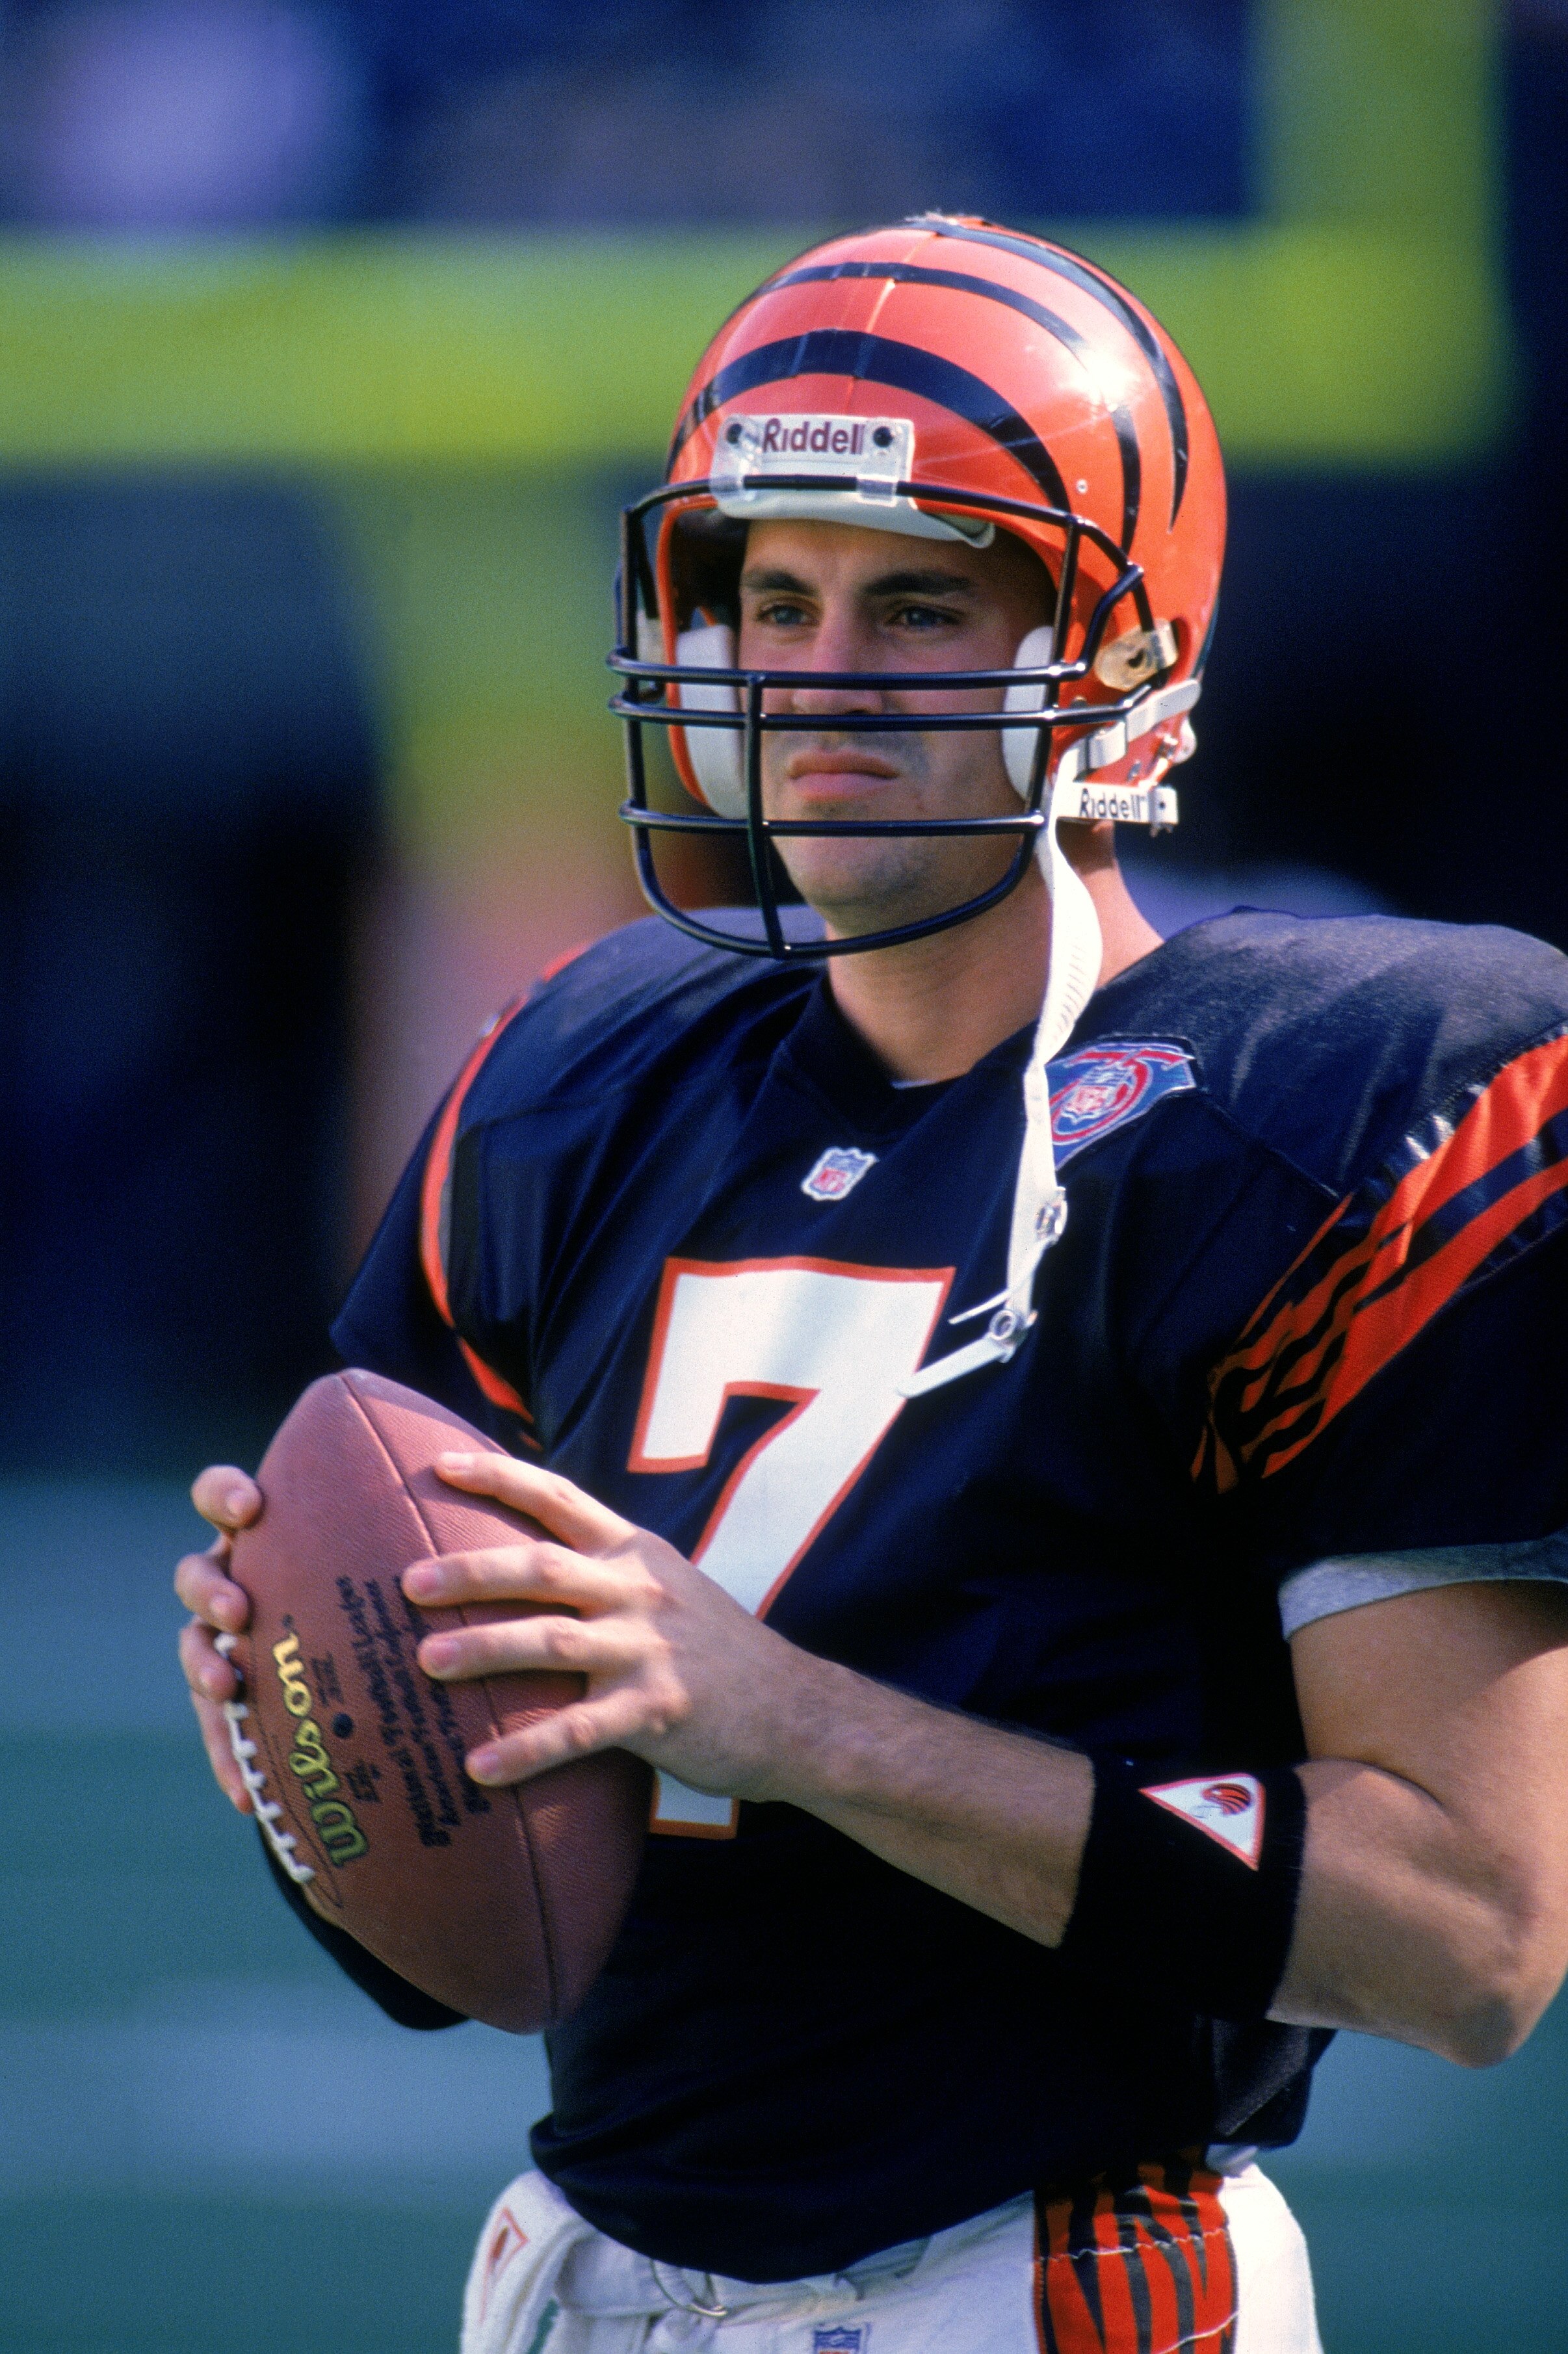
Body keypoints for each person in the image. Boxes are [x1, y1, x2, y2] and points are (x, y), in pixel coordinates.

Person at [176, 218, 1568, 2354]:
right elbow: (471, 1939)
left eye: (915, 604)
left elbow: (1463, 1937)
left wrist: (789, 1721)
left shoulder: (1326, 1105)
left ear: (1118, 651)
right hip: (575, 2281)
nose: (818, 674)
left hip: (1041, 2288)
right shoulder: (578, 1077)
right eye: (773, 600)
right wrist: (322, 1724)